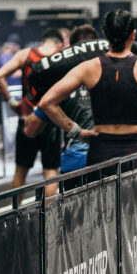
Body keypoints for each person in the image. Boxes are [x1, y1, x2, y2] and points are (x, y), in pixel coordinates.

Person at [39, 10, 137, 173]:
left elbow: (47, 103)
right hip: (136, 153)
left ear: (104, 34)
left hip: (101, 153)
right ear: (133, 34)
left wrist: (77, 132)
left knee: (102, 199)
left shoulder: (88, 68)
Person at [0, 27, 63, 196]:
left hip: (27, 117)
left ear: (41, 42)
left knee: (21, 170)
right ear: (59, 44)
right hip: (51, 118)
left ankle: (16, 215)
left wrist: (11, 101)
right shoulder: (61, 56)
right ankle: (51, 216)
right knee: (51, 171)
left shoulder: (26, 54)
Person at [23, 24, 98, 175]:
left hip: (77, 159)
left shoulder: (61, 83)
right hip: (115, 155)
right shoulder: (116, 74)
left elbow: (31, 128)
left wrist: (76, 132)